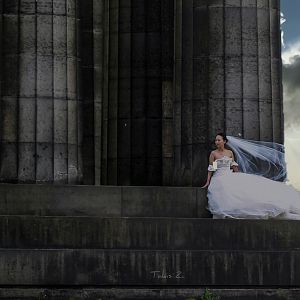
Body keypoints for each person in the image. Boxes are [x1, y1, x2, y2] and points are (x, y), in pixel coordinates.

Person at [201, 133, 300, 219]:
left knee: (248, 188)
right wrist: (208, 181)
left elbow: (233, 165)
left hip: (229, 174)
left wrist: (238, 174)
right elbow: (211, 168)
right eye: (216, 140)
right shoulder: (213, 153)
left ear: (224, 141)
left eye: (219, 140)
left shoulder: (229, 152)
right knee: (227, 192)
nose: (216, 142)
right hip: (219, 177)